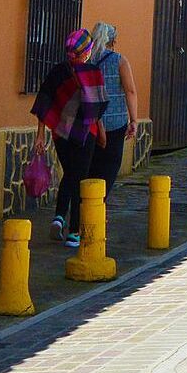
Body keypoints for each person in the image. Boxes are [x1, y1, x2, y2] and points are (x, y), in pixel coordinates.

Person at [31, 29, 107, 247]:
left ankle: (58, 217)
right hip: (86, 134)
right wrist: (101, 132)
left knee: (71, 174)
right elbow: (97, 110)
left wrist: (40, 135)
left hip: (60, 134)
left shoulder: (57, 72)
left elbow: (44, 102)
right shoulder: (92, 73)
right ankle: (74, 232)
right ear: (87, 51)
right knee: (79, 179)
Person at [86, 22, 138, 199]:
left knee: (90, 167)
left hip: (90, 122)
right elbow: (130, 91)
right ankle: (99, 205)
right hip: (115, 122)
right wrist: (134, 120)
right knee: (110, 166)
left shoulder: (86, 59)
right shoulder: (119, 60)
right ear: (113, 41)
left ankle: (86, 206)